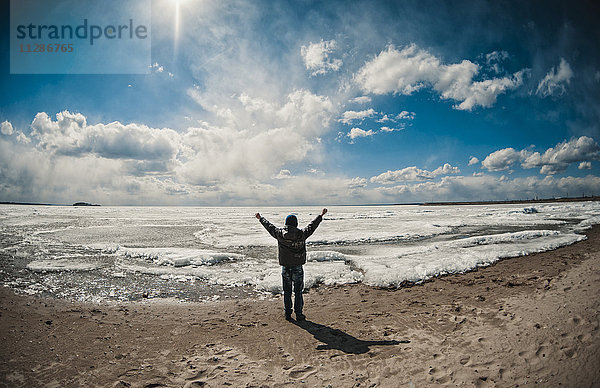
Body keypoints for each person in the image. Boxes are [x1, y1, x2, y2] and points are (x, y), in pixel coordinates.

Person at [255, 208, 328, 321]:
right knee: (298, 291)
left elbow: (269, 227)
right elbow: (312, 226)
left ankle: (288, 314)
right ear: (296, 224)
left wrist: (261, 219)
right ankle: (299, 314)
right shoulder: (302, 234)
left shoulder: (280, 234)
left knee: (287, 291)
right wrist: (320, 215)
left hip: (286, 267)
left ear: (286, 224)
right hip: (298, 267)